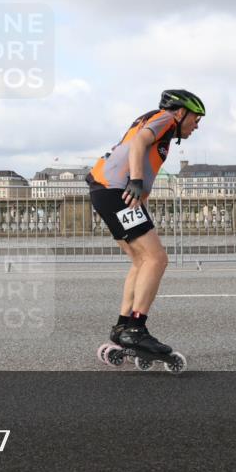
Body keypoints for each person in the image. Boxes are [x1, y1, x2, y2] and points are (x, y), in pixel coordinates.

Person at [87, 89, 205, 361]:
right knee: (157, 259)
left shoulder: (155, 121)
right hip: (117, 191)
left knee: (141, 261)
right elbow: (140, 142)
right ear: (180, 112)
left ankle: (122, 326)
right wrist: (137, 181)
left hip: (105, 191)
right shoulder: (165, 118)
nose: (196, 126)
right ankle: (136, 329)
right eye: (196, 119)